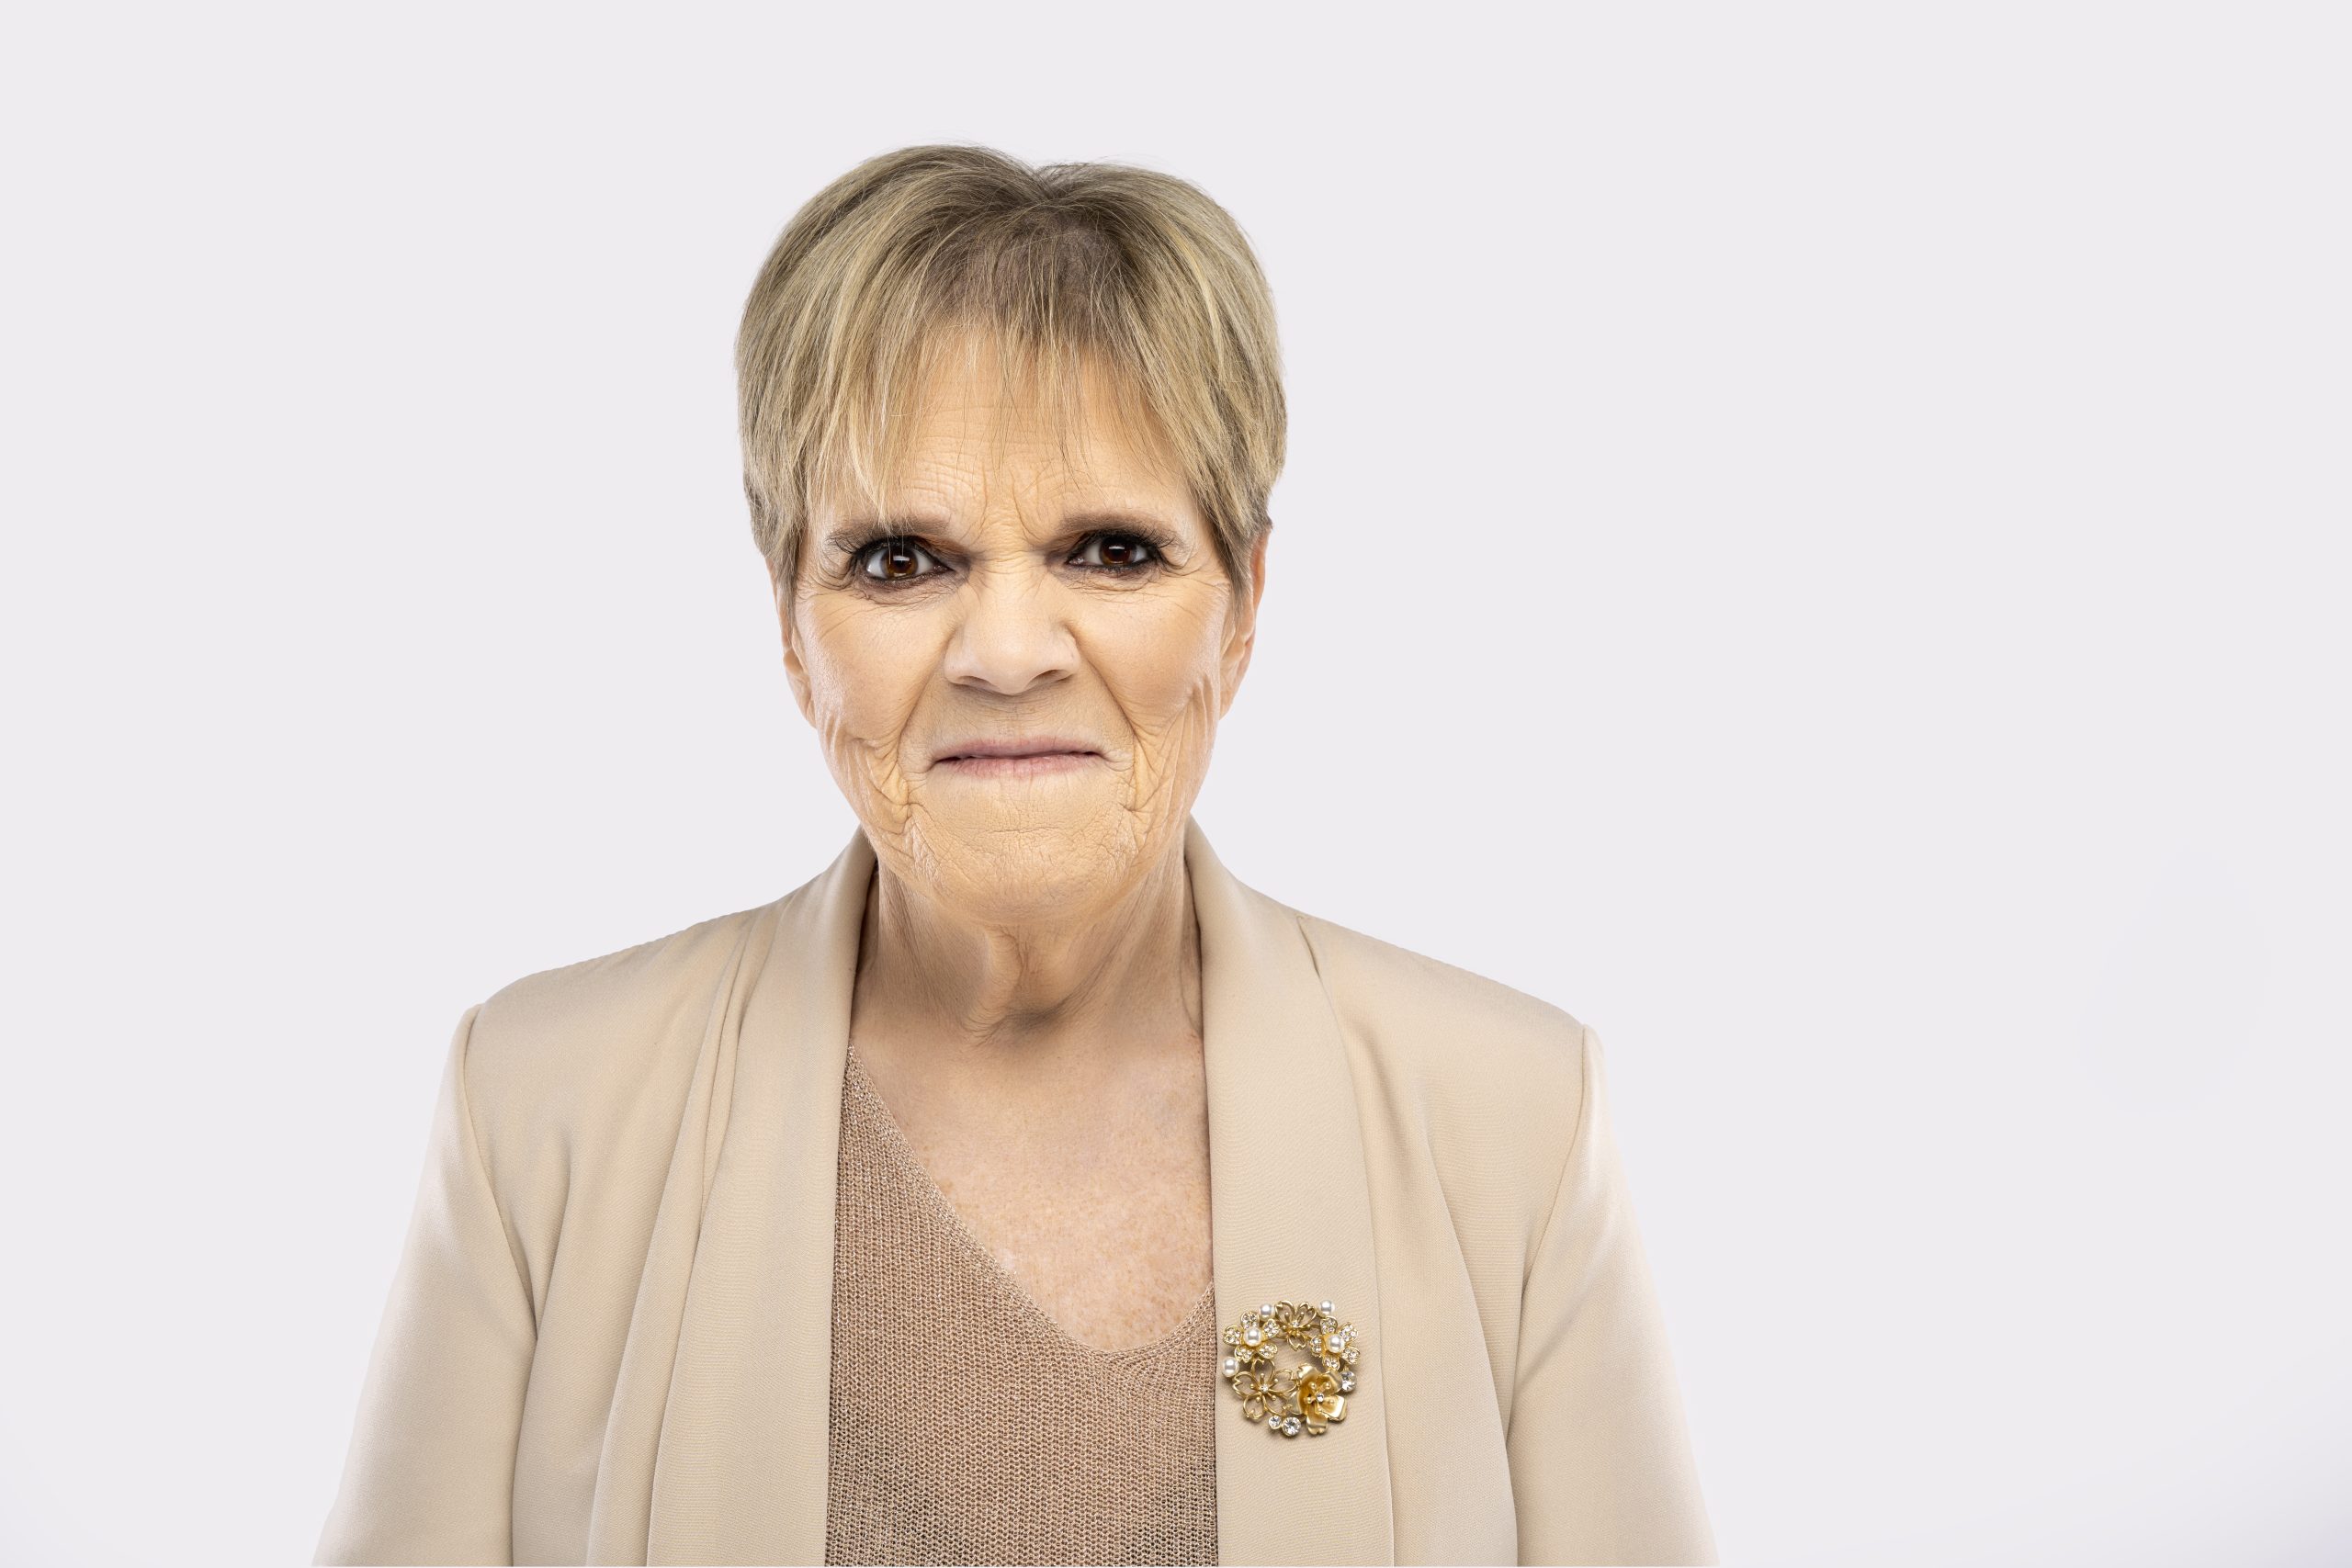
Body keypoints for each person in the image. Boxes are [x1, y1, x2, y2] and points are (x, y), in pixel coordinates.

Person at [314, 142, 1719, 1567]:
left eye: (1110, 551)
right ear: (790, 625)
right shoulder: (539, 1106)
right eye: (899, 560)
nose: (1004, 651)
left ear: (1243, 608)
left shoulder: (1513, 1119)